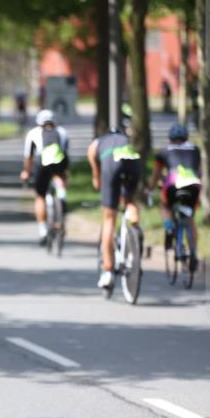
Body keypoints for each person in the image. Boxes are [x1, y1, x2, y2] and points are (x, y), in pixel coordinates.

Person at [86, 114, 143, 290]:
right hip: (132, 161)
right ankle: (134, 229)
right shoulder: (126, 140)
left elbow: (92, 158)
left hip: (110, 164)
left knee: (109, 218)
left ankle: (108, 270)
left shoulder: (98, 142)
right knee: (129, 200)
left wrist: (96, 177)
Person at [148, 123, 201, 270]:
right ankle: (194, 251)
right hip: (193, 185)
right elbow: (199, 170)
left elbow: (156, 174)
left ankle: (169, 226)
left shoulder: (163, 152)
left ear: (170, 138)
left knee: (165, 205)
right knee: (190, 218)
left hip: (173, 184)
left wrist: (150, 189)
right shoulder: (195, 149)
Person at [19, 109, 69, 246]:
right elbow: (65, 153)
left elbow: (28, 156)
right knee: (59, 177)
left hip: (42, 162)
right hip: (59, 161)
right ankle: (62, 195)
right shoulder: (62, 132)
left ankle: (43, 230)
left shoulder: (33, 133)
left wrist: (26, 172)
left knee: (40, 196)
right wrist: (65, 174)